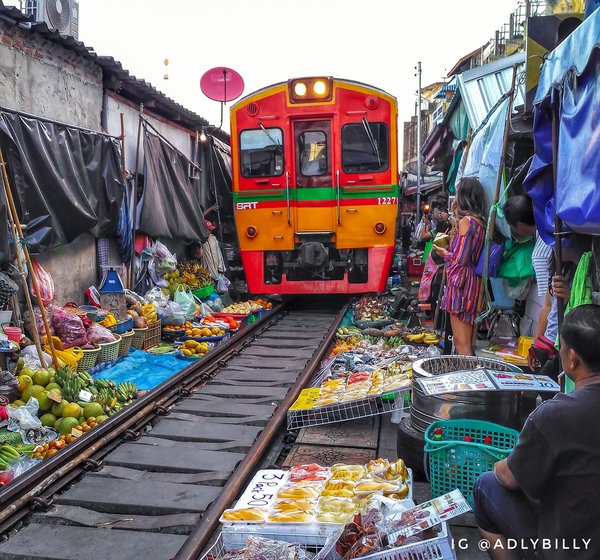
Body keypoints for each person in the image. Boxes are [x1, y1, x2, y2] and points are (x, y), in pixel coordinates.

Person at [473, 304, 600, 560]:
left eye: (561, 348)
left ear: (572, 358)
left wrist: (501, 465)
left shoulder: (555, 415)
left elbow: (509, 478)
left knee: (485, 485)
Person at [433, 178, 486, 355]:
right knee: (466, 342)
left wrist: (444, 253)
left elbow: (461, 259)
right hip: (472, 283)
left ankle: (469, 379)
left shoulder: (466, 222)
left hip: (461, 286)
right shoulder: (480, 222)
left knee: (462, 343)